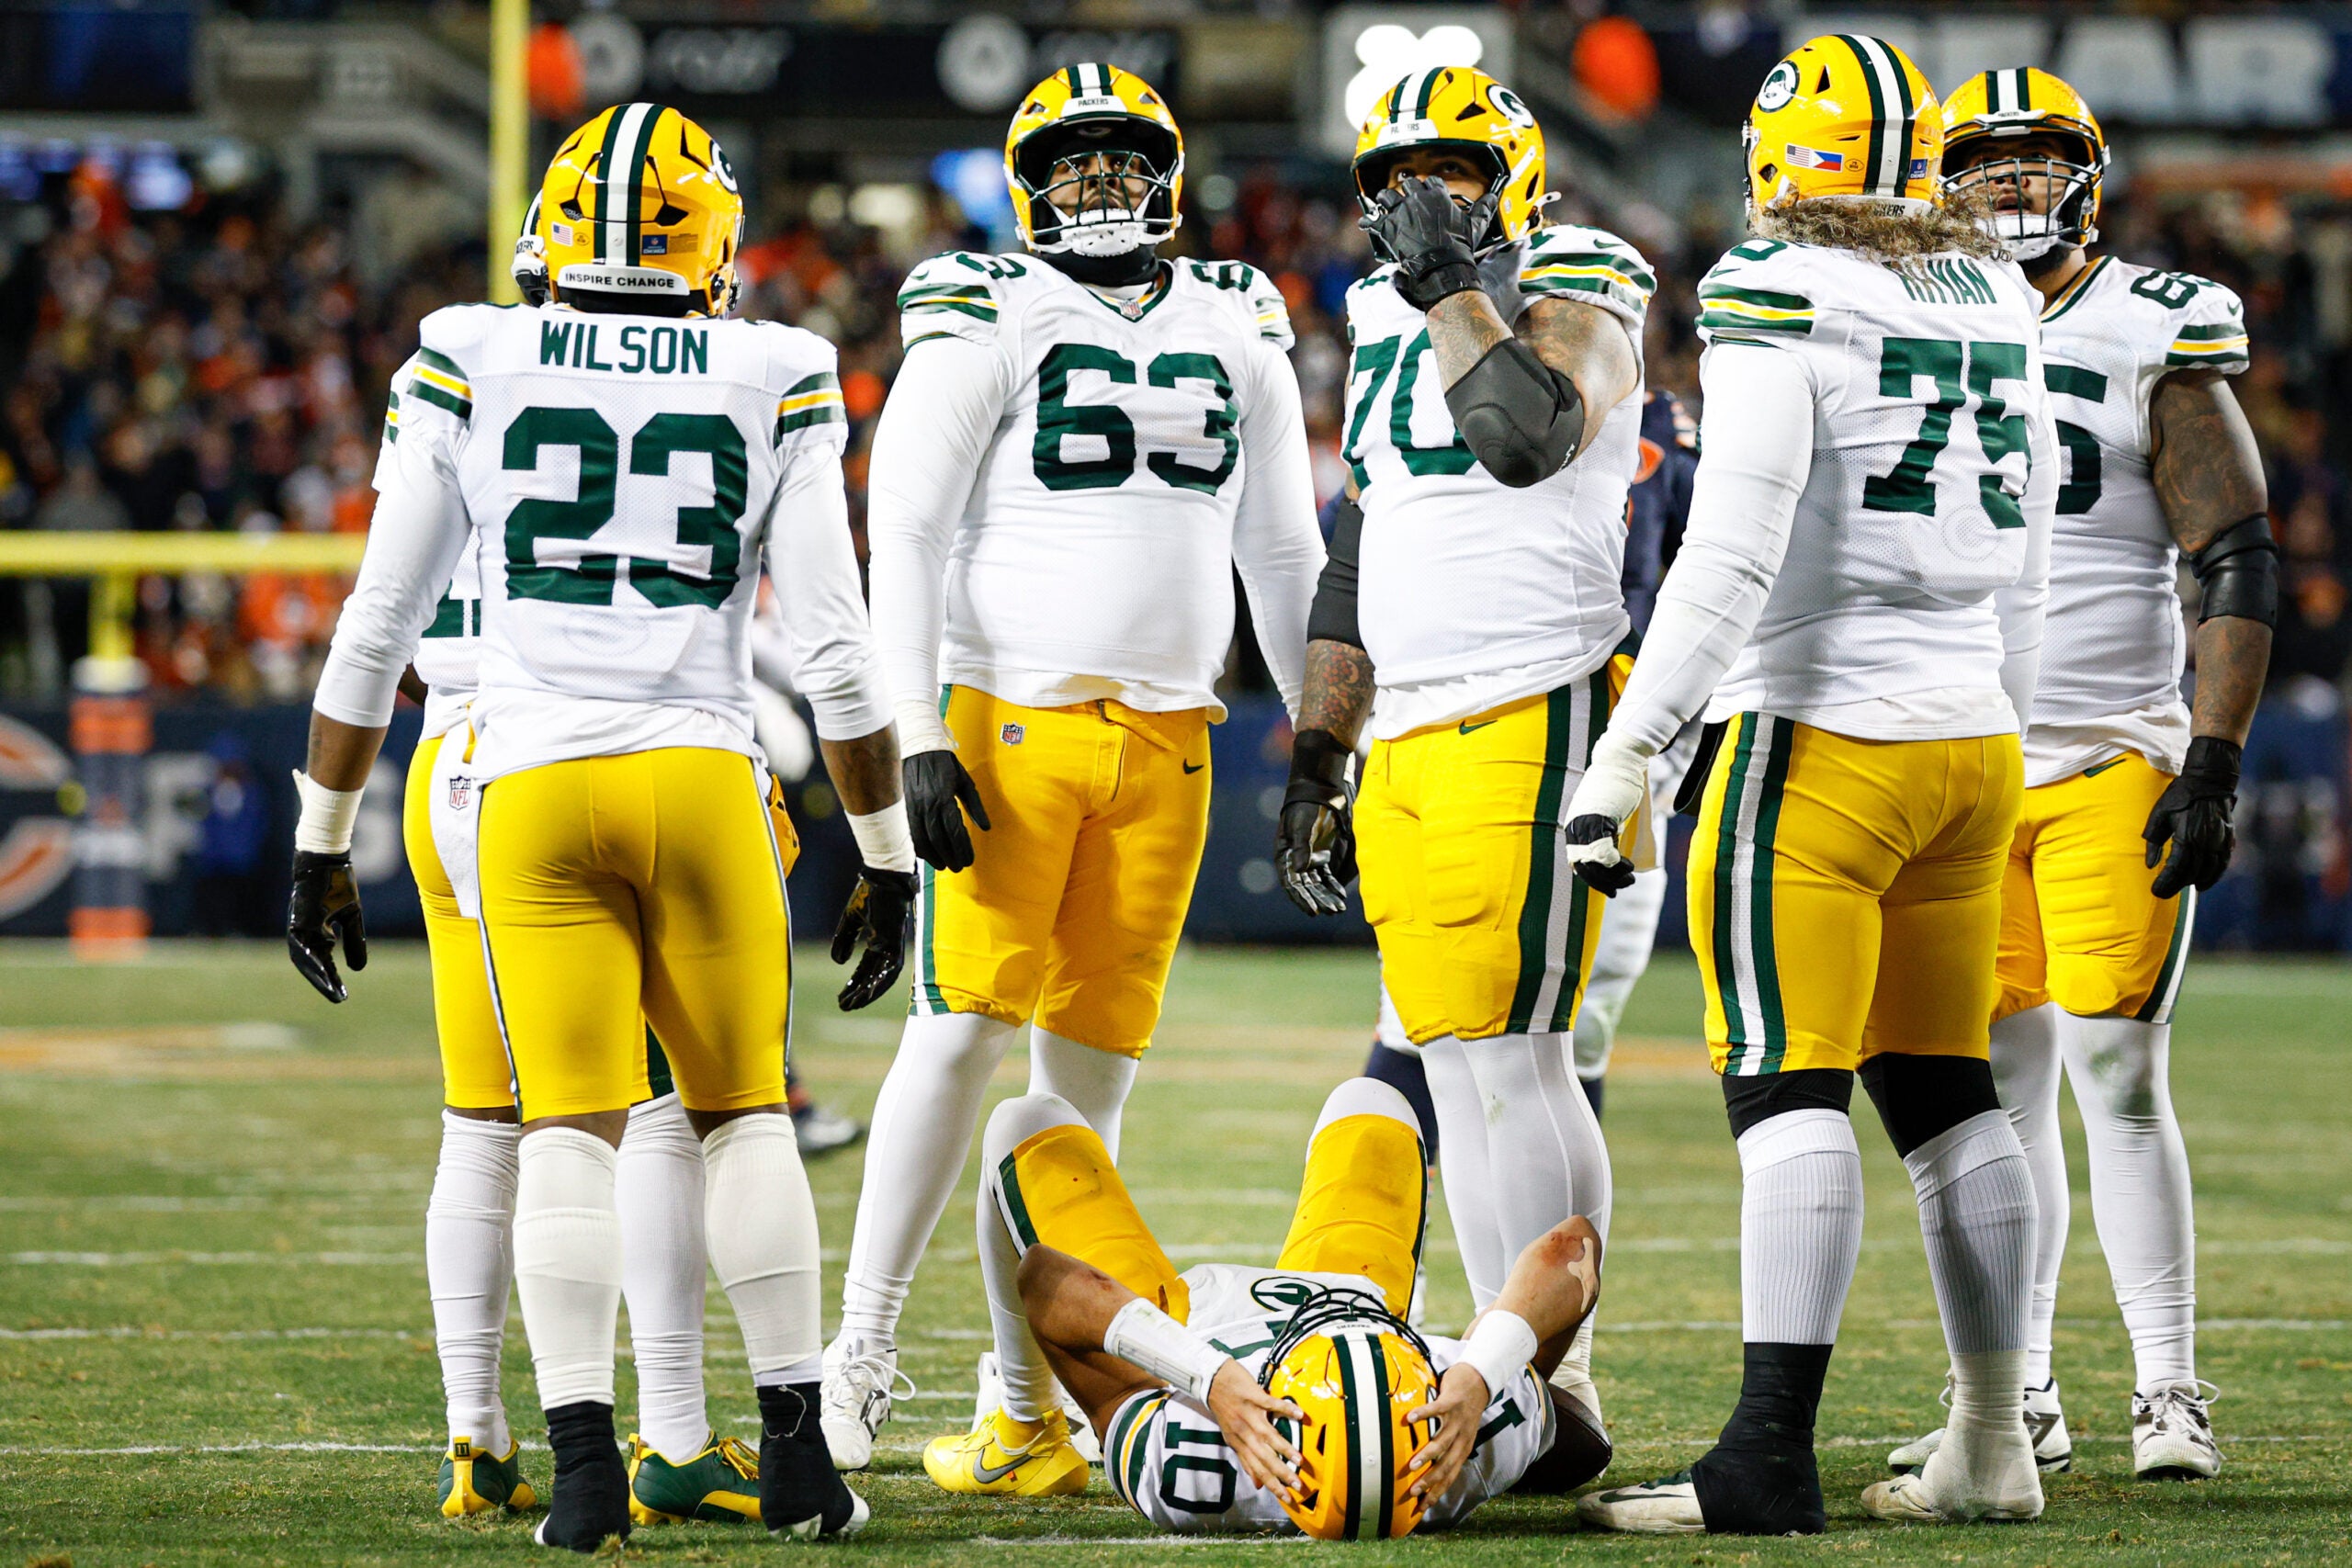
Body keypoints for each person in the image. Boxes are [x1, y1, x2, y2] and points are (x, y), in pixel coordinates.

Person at [286, 103, 912, 1550]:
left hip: (527, 780)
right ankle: (800, 1459)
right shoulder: (781, 366)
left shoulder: (469, 346)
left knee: (558, 1125)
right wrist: (883, 855)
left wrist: (323, 836)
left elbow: (380, 622)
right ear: (713, 243)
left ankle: (579, 1475)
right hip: (701, 773)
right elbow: (835, 647)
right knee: (742, 1112)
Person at [1562, 35, 2059, 1533]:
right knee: (1946, 1091)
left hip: (1820, 733)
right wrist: (2010, 732)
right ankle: (1993, 1437)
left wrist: (1631, 744)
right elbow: (2026, 552)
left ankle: (1767, 1453)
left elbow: (1734, 545)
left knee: (1789, 1092)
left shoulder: (1780, 286)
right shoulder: (1990, 285)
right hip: (1970, 733)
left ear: (1787, 162)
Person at [825, 62, 1323, 1469]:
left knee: (1076, 1108)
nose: (1097, 183)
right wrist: (916, 727)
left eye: (1122, 158)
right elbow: (906, 529)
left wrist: (1320, 736)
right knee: (961, 1033)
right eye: (1071, 161)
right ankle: (859, 1346)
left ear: (1166, 173)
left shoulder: (1237, 314)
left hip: (1171, 742)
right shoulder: (987, 304)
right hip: (1010, 726)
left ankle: (1020, 1397)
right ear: (1027, 181)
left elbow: (1281, 550)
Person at [1882, 67, 2269, 1486]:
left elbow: (2236, 547)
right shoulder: (1910, 321)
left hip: (2111, 744)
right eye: (1982, 168)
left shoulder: (2151, 321)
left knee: (2116, 1063)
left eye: (2036, 164)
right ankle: (2022, 1384)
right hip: (1963, 750)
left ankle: (2169, 1384)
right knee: (1996, 1086)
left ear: (2087, 176)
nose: (2011, 191)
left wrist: (2214, 753)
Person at [1276, 63, 1651, 1424]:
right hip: (1411, 729)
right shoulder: (1383, 316)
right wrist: (1321, 747)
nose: (1422, 203)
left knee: (1519, 1052)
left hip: (1530, 700)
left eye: (1453, 172)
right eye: (1394, 181)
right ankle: (1524, 1376)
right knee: (1450, 1059)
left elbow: (1520, 436)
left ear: (1518, 175)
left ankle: (1552, 1383)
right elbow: (1358, 546)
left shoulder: (1585, 274)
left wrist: (1448, 285)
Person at [922, 1073, 1611, 1534]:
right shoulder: (1469, 1445)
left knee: (1026, 1120)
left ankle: (1021, 1435)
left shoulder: (1198, 1463)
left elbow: (1045, 1279)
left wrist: (1208, 1375)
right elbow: (1572, 1249)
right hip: (1354, 1288)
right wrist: (1483, 1371)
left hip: (1186, 1328)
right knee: (1372, 1101)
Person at [1568, 389, 1701, 1117]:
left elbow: (1720, 557)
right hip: (1504, 706)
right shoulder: (1479, 393)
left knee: (1604, 980)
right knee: (1438, 996)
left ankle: (1556, 1211)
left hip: (1636, 721)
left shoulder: (1663, 426)